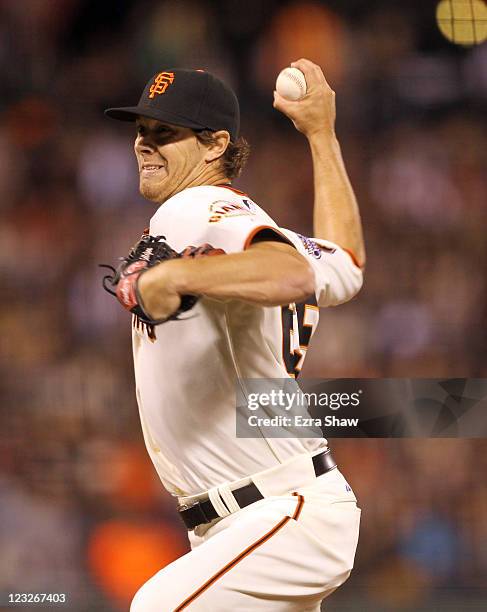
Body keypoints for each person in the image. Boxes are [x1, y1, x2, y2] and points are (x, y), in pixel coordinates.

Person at [104, 58, 365, 611]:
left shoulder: (196, 207)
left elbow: (289, 275)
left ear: (214, 145)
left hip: (282, 513)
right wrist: (321, 134)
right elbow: (344, 263)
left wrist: (177, 273)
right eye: (142, 131)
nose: (144, 144)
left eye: (165, 132)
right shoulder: (239, 227)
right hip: (256, 521)